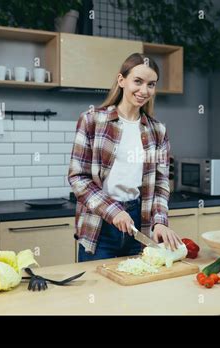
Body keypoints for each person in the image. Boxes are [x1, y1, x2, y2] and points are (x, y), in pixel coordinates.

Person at [68, 53, 183, 262]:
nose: (144, 90)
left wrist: (159, 221)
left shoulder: (158, 130)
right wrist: (113, 211)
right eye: (137, 81)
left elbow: (161, 183)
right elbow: (78, 178)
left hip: (139, 223)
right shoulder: (92, 120)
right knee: (98, 290)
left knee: (134, 289)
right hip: (99, 226)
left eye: (151, 84)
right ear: (121, 80)